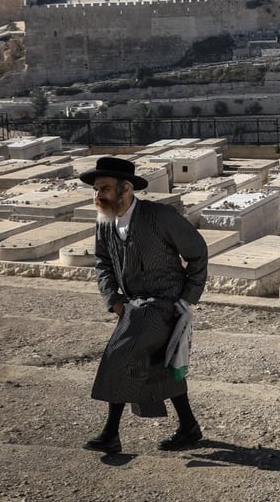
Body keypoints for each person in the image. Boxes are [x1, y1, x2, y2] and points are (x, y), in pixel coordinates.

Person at [79, 156, 208, 455]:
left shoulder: (160, 216)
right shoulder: (105, 222)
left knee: (121, 353)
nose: (98, 196)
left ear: (126, 189)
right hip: (132, 306)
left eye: (105, 189)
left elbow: (198, 252)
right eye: (96, 189)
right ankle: (189, 427)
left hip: (165, 304)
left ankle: (110, 433)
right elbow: (103, 261)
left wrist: (187, 298)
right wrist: (113, 300)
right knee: (158, 367)